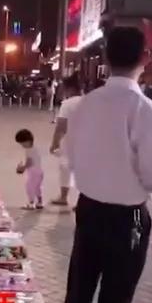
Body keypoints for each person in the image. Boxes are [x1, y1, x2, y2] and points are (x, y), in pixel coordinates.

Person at [60, 26, 152, 303]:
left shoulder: (84, 105)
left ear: (106, 58)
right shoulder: (147, 112)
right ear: (145, 58)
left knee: (81, 283)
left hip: (89, 208)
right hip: (127, 217)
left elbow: (69, 156)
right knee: (115, 297)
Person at [49, 74, 82, 206]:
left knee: (65, 168)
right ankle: (81, 201)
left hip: (70, 141)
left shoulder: (67, 104)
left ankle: (63, 197)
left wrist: (54, 143)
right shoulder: (89, 101)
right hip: (87, 141)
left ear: (70, 89)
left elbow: (61, 127)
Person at [14, 129, 44, 210]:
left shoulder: (29, 150)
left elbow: (30, 162)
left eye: (22, 143)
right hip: (39, 171)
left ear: (28, 141)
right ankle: (40, 202)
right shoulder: (35, 148)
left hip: (33, 172)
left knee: (29, 187)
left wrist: (22, 167)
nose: (22, 146)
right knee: (38, 187)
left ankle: (31, 203)